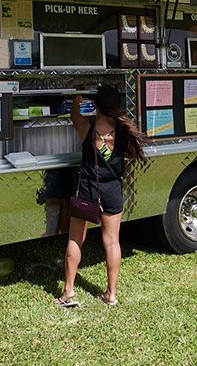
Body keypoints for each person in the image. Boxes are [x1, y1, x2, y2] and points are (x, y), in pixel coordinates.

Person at [55, 85, 146, 307]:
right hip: (113, 189)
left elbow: (74, 114)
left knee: (76, 238)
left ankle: (68, 292)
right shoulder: (124, 132)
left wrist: (77, 96)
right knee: (112, 241)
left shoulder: (87, 127)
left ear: (96, 106)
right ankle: (111, 294)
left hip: (88, 188)